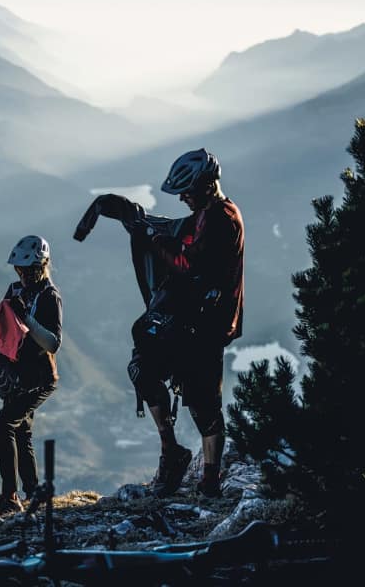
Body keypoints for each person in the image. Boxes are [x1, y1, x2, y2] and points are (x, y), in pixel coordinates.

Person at [133, 148, 244, 497]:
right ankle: (173, 450)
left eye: (188, 191)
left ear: (208, 185)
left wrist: (157, 240)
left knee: (204, 402)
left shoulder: (222, 219)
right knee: (145, 370)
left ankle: (209, 479)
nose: (183, 198)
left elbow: (189, 265)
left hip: (206, 324)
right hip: (193, 320)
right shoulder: (208, 214)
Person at [0, 235, 63, 515]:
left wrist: (27, 319)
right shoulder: (14, 289)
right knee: (21, 432)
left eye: (29, 269)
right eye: (20, 270)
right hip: (17, 376)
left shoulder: (49, 296)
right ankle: (32, 492)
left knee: (2, 425)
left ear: (42, 265)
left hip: (40, 378)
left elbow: (53, 342)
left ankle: (9, 495)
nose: (23, 275)